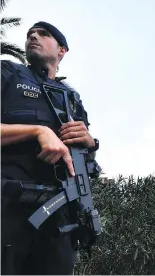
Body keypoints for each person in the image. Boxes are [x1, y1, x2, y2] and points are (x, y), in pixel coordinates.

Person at [1, 22, 99, 275]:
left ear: (61, 51)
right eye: (30, 34)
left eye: (43, 34)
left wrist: (91, 143)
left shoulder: (71, 99)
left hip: (60, 220)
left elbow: (85, 159)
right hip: (8, 211)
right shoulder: (8, 73)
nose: (33, 36)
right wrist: (36, 131)